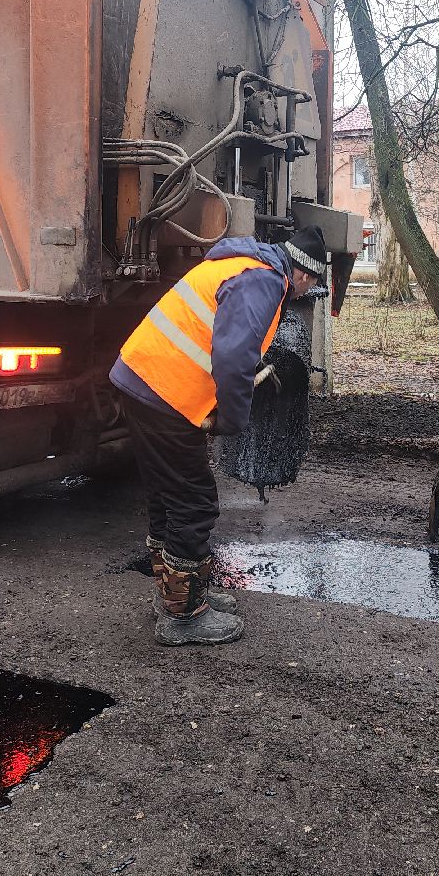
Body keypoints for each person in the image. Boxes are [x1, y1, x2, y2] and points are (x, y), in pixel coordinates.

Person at [110, 226, 328, 646]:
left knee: (166, 493)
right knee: (194, 501)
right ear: (304, 274)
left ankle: (178, 594)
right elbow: (232, 356)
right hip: (165, 393)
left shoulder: (243, 263)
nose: (304, 293)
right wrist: (232, 416)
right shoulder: (266, 280)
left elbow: (215, 341)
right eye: (312, 286)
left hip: (144, 379)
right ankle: (183, 615)